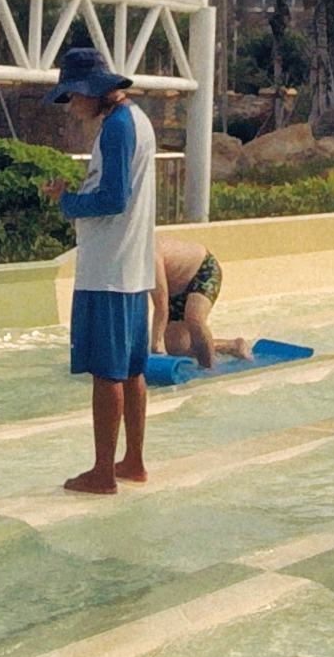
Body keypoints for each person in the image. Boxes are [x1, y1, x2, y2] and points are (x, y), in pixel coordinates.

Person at [39, 45, 160, 494]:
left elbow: (113, 199)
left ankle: (102, 471)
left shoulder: (115, 129)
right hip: (131, 267)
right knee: (131, 370)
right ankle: (133, 461)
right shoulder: (137, 122)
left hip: (107, 269)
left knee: (106, 372)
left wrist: (66, 202)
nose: (71, 107)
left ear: (92, 92)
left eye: (73, 98)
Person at [160, 236, 250, 370]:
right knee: (177, 348)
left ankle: (208, 369)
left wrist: (155, 345)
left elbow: (160, 304)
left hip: (202, 271)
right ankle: (232, 346)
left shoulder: (151, 255)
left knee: (194, 319)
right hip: (175, 287)